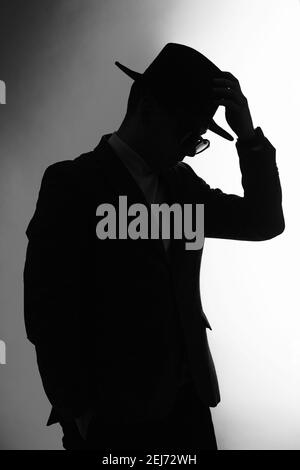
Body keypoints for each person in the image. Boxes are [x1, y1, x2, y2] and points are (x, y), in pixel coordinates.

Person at [23, 43, 285, 451]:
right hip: (115, 420)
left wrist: (248, 137)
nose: (187, 148)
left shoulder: (183, 186)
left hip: (189, 408)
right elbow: (47, 314)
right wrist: (81, 417)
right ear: (146, 107)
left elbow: (264, 221)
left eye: (198, 139)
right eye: (186, 133)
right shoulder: (72, 184)